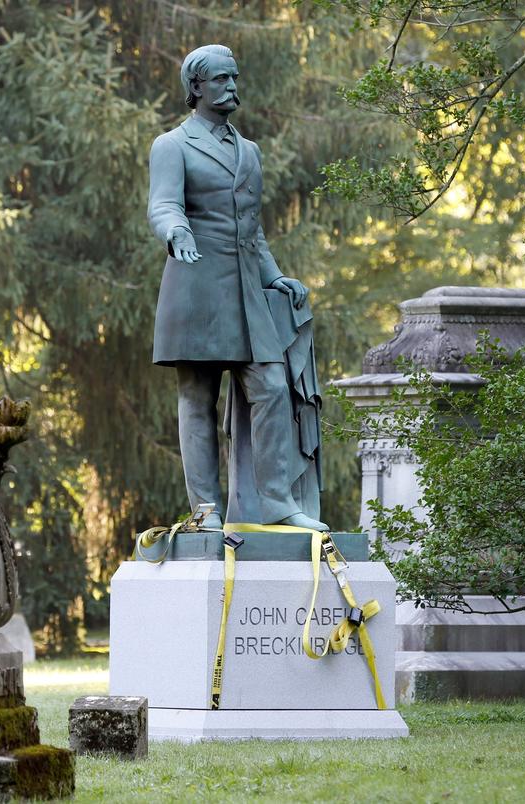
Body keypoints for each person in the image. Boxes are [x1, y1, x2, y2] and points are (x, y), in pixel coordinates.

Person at [147, 44, 328, 532]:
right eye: (222, 79)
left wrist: (275, 276)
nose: (232, 86)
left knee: (271, 387)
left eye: (234, 78)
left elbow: (253, 228)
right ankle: (205, 509)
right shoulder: (173, 145)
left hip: (248, 293)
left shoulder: (249, 151)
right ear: (196, 88)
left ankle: (275, 501)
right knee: (197, 397)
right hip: (196, 285)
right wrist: (176, 231)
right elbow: (163, 206)